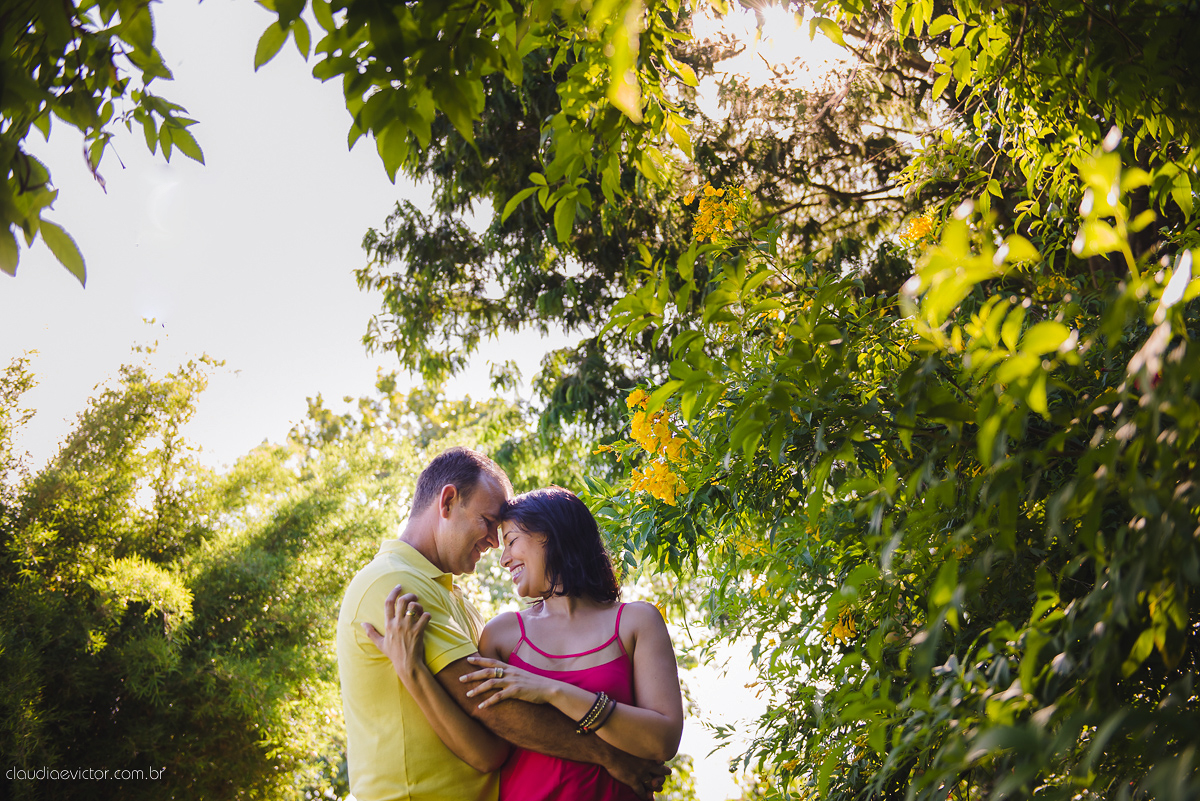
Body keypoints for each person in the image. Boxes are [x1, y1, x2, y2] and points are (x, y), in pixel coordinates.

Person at [337, 448, 667, 801]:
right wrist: (610, 756)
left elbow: (492, 742)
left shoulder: (454, 599)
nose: (496, 544)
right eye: (489, 522)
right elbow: (497, 714)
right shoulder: (391, 585)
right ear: (448, 501)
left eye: (506, 535)